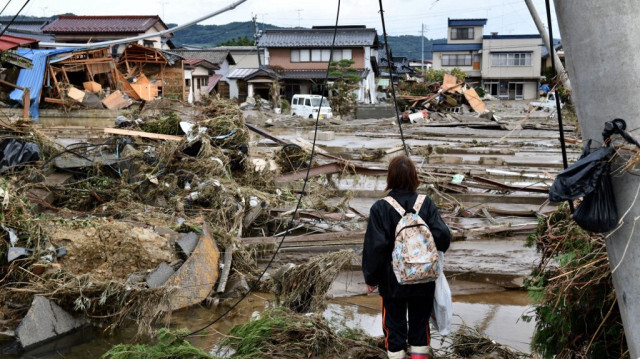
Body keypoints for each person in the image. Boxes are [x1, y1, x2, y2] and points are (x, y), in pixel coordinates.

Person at [362, 155, 451, 359]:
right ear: (414, 177)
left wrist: (371, 279)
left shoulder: (380, 207)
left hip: (393, 282)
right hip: (424, 278)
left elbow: (375, 247)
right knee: (420, 328)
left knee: (394, 328)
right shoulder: (426, 203)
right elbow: (444, 238)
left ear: (390, 177)